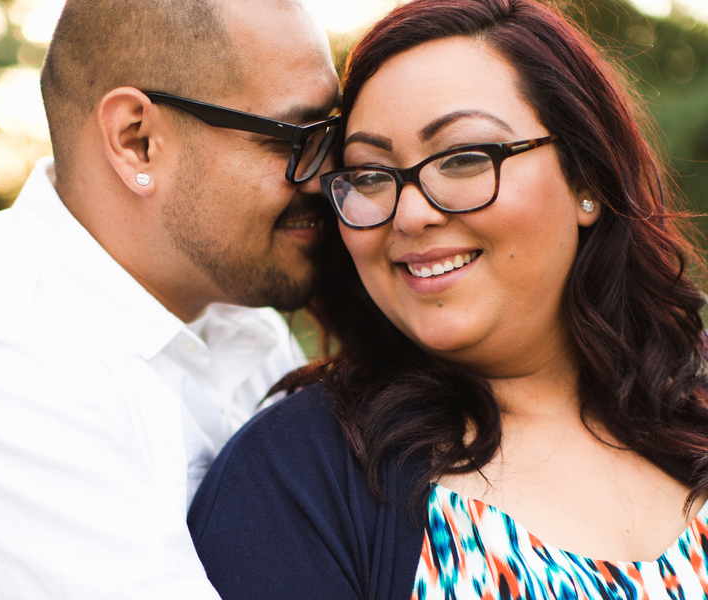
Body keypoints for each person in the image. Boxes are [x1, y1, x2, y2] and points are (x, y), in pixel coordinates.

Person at [188, 0, 708, 598]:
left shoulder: (691, 395)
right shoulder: (291, 478)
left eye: (464, 158)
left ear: (586, 177)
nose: (409, 215)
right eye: (370, 175)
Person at [0, 0, 339, 598]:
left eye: (333, 135)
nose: (327, 176)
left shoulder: (242, 322)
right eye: (296, 139)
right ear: (137, 141)